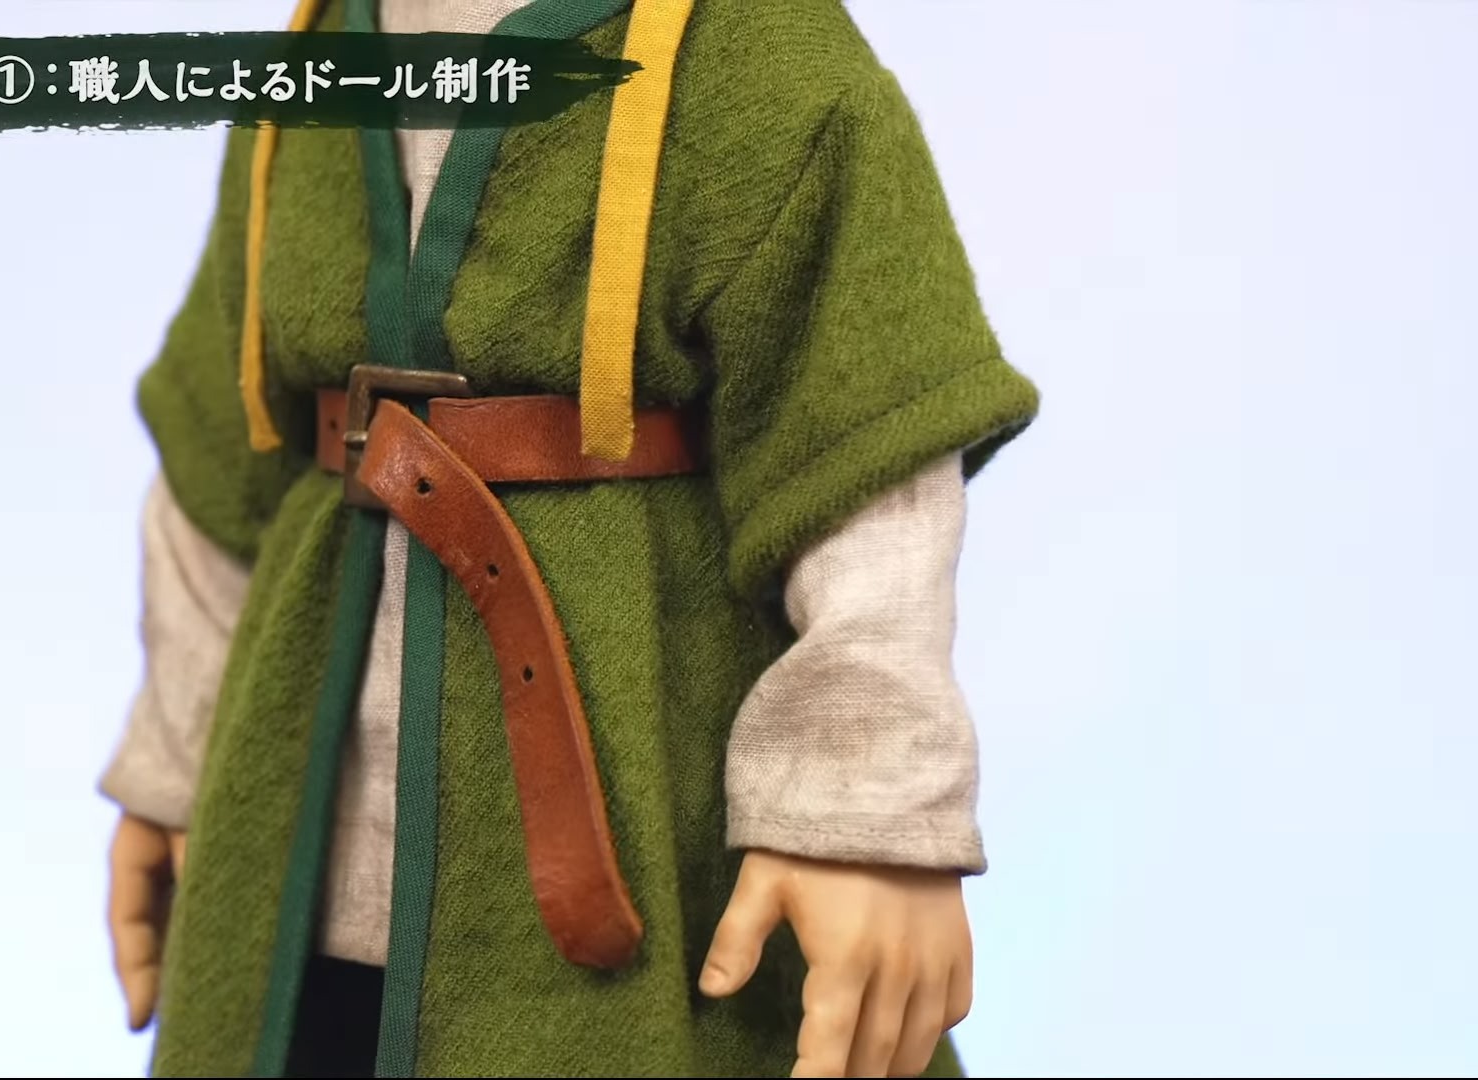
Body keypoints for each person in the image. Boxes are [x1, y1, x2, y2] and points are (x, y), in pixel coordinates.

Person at [99, 0, 1040, 1075]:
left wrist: (861, 804)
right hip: (301, 872)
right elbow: (223, 457)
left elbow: (859, 450)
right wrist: (179, 760)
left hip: (651, 833)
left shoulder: (751, 49)